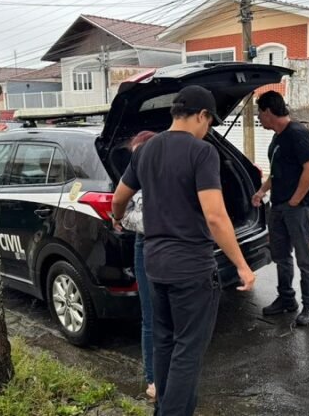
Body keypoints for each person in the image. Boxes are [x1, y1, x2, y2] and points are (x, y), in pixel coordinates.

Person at [112, 85, 256, 416]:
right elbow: (216, 216)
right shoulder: (201, 152)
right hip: (191, 268)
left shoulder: (146, 150)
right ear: (201, 115)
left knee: (164, 342)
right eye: (210, 122)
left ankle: (167, 406)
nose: (208, 131)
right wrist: (242, 265)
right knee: (189, 350)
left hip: (155, 264)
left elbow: (119, 198)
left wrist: (117, 219)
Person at [251, 90, 309, 326]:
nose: (258, 118)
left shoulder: (298, 134)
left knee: (304, 258)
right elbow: (277, 171)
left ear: (268, 112)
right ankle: (286, 299)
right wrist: (262, 191)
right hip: (279, 207)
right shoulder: (277, 137)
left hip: (297, 208)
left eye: (259, 113)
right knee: (280, 256)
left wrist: (295, 200)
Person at [119, 130, 157, 400]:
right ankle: (153, 378)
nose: (137, 161)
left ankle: (176, 373)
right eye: (134, 157)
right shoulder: (131, 180)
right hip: (145, 245)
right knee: (151, 317)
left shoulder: (172, 175)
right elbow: (124, 217)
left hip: (178, 248)